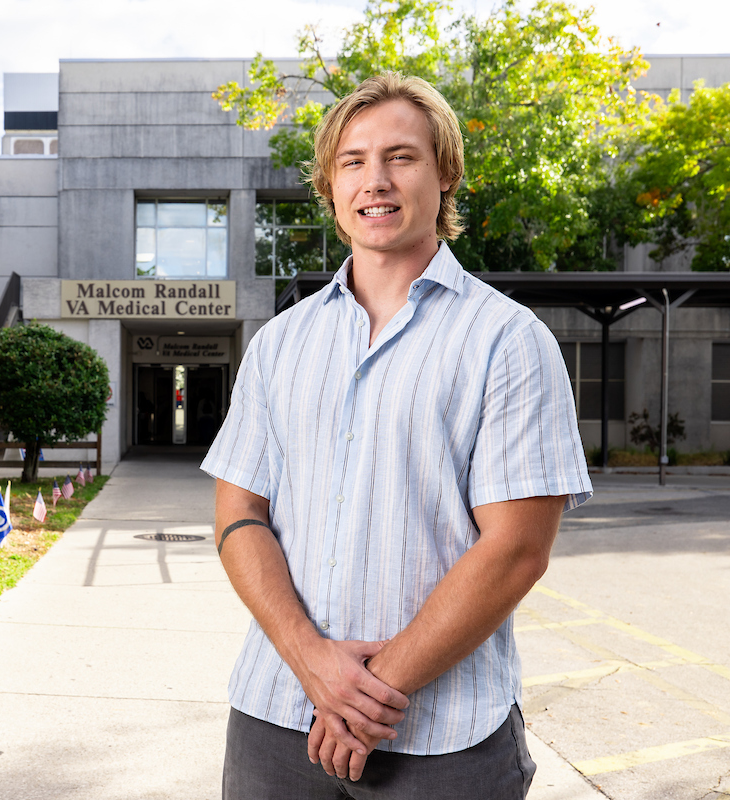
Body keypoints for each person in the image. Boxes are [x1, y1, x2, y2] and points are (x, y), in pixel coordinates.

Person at [200, 72, 592, 799]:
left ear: (445, 174)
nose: (375, 180)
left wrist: (366, 694)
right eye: (352, 161)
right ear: (330, 185)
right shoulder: (280, 343)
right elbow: (238, 514)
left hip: (445, 739)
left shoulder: (508, 341)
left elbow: (516, 551)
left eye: (401, 157)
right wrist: (313, 662)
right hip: (274, 720)